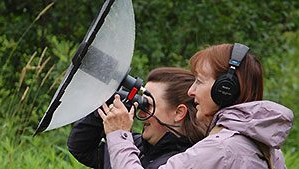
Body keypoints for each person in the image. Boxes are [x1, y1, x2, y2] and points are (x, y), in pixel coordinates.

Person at [98, 43, 294, 169]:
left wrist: (119, 134)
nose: (191, 92)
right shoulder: (268, 150)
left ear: (224, 90)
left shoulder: (222, 149)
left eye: (199, 82)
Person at [68, 67, 206, 169]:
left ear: (179, 113)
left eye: (148, 105)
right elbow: (81, 148)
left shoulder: (186, 162)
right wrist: (108, 102)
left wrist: (119, 135)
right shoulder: (136, 146)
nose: (141, 114)